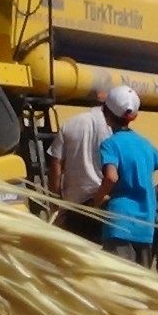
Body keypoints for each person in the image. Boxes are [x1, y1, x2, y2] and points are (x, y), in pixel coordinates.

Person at [93, 85, 158, 266]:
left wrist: (98, 200)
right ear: (133, 116)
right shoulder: (145, 144)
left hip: (119, 224)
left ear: (106, 113)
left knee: (118, 283)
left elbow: (111, 177)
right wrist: (152, 192)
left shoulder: (110, 145)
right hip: (146, 226)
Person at [46, 97, 112, 242]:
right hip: (102, 203)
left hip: (74, 206)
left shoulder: (71, 123)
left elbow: (56, 165)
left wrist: (54, 201)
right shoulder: (113, 128)